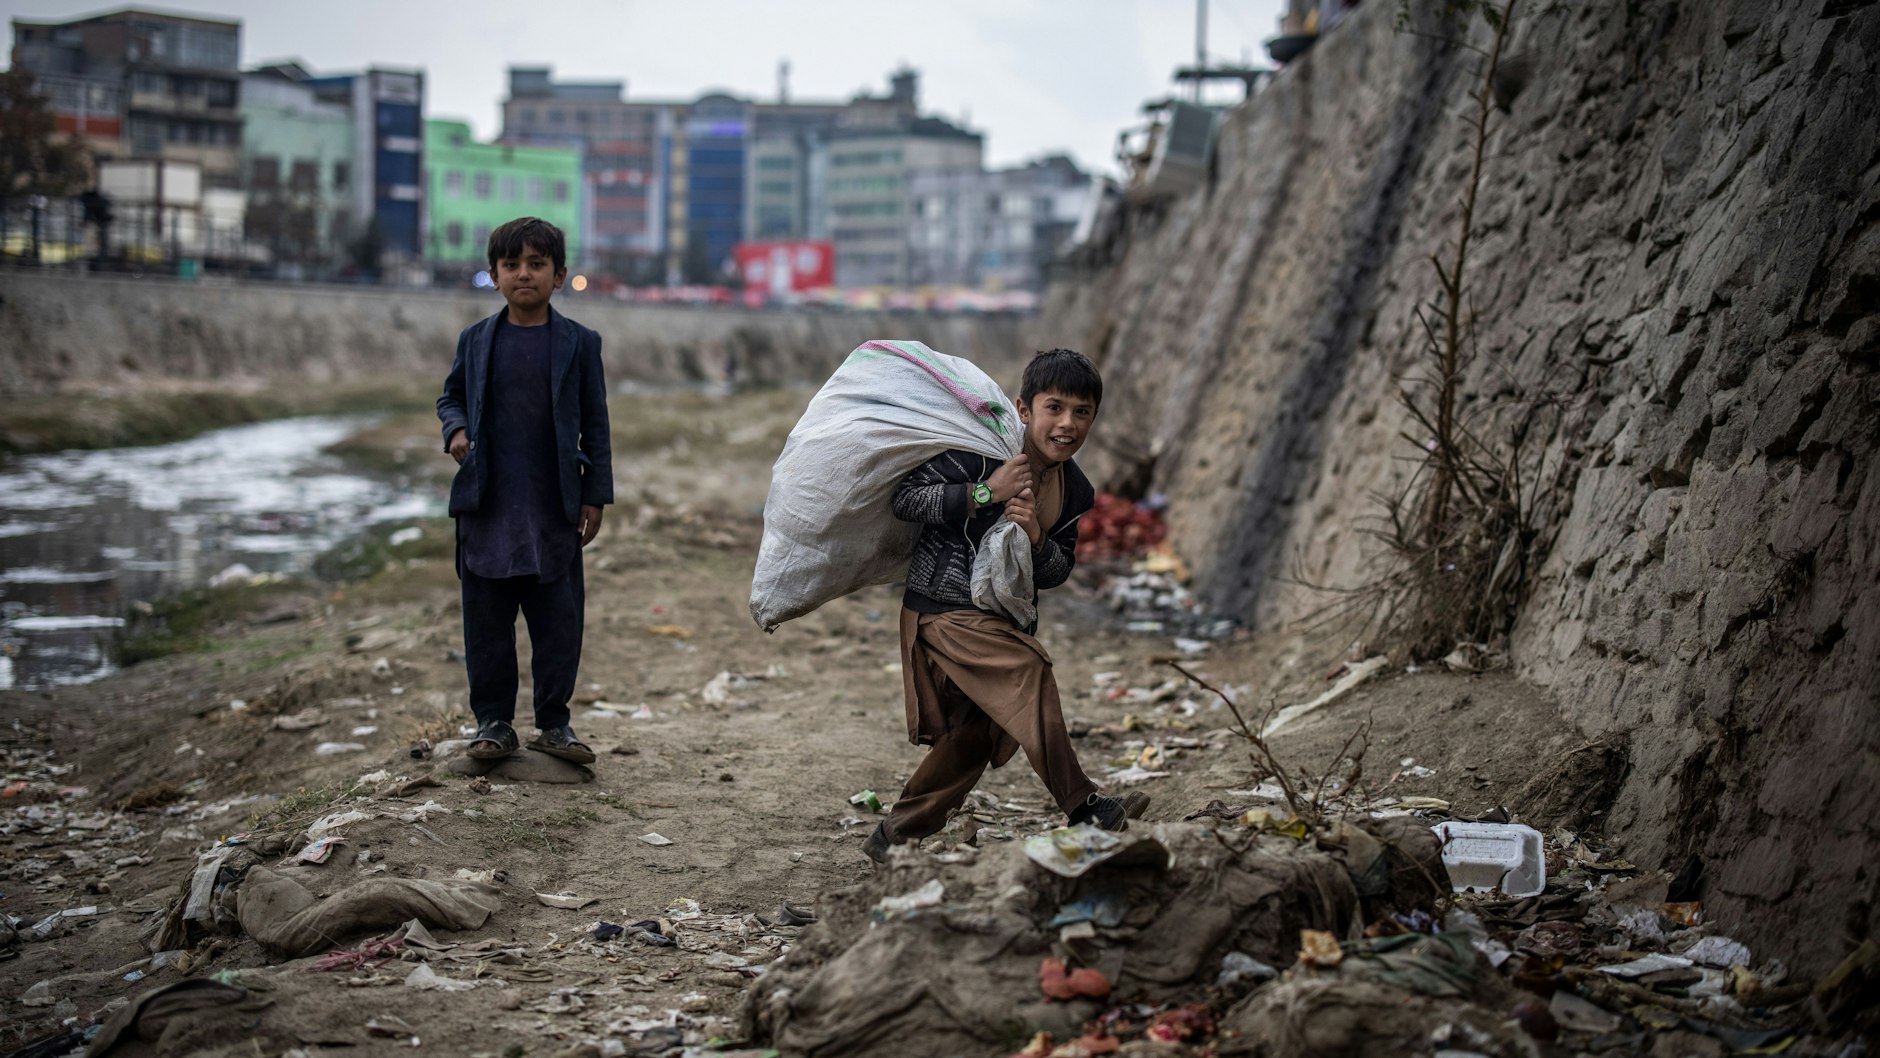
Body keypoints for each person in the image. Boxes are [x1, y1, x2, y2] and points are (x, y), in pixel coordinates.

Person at [865, 348, 1144, 863]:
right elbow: (906, 500)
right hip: (943, 610)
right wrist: (982, 493)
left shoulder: (1075, 489)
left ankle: (893, 838)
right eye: (1054, 408)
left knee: (974, 735)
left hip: (1000, 618)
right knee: (1029, 669)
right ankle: (1084, 809)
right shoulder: (981, 452)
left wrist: (1037, 536)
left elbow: (1058, 570)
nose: (1067, 425)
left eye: (1082, 413)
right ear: (1023, 409)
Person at [436, 216, 611, 765]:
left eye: (537, 264)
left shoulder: (580, 344)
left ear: (559, 275)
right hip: (488, 504)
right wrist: (457, 432)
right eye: (511, 265)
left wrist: (595, 495)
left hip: (551, 503)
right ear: (493, 275)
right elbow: (450, 399)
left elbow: (597, 424)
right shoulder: (477, 340)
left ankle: (555, 724)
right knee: (485, 621)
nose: (524, 274)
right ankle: (493, 723)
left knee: (558, 619)